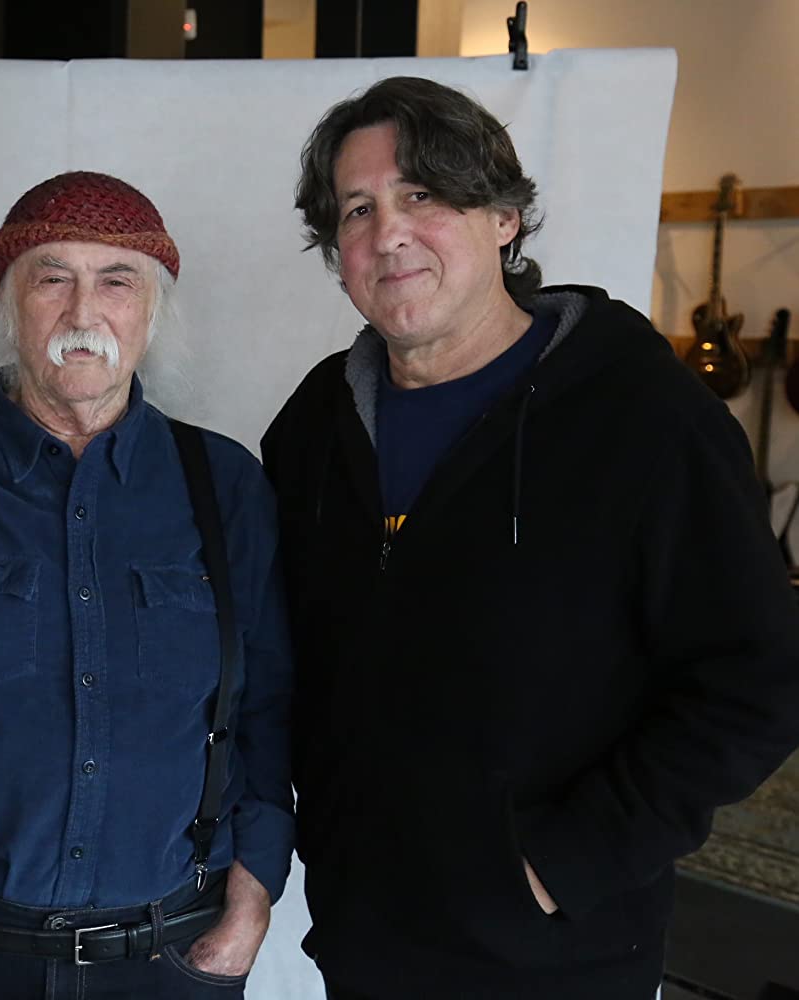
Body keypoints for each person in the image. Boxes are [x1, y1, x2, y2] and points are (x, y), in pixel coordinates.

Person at [261, 76, 799, 1000]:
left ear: (504, 218)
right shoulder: (317, 423)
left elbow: (758, 679)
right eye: (358, 208)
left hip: (560, 954)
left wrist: (568, 862)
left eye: (422, 194)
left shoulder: (642, 415)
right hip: (363, 934)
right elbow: (281, 655)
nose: (389, 233)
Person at [0, 171, 294, 998]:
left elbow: (269, 711)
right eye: (52, 279)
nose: (84, 312)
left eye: (117, 281)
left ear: (153, 312)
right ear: (10, 307)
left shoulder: (224, 484)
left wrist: (252, 901)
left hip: (172, 959)